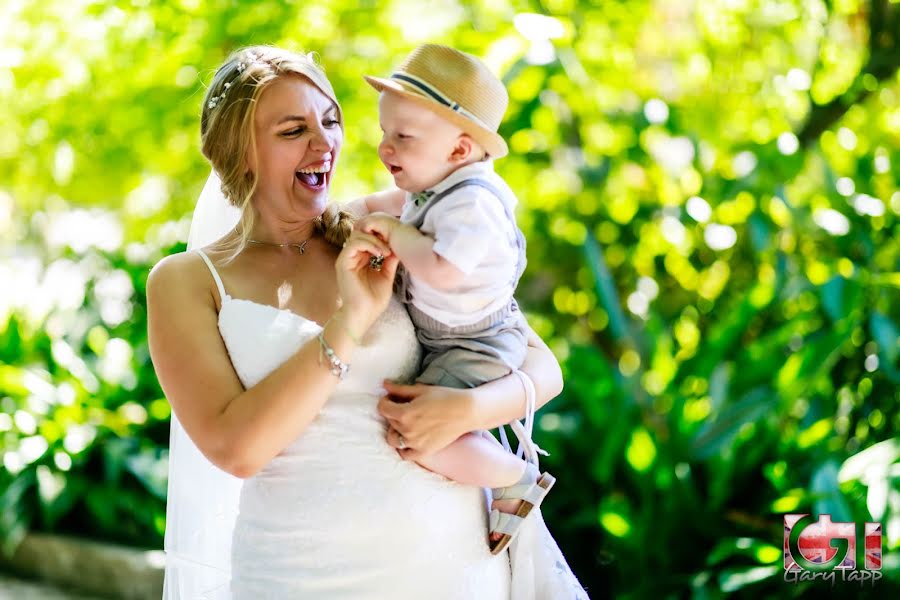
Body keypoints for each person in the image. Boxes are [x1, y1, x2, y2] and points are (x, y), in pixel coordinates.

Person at [147, 45, 565, 599]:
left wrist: (467, 409)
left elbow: (542, 366)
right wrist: (348, 322)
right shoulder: (186, 281)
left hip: (450, 565)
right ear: (239, 150)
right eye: (294, 130)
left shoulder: (386, 230)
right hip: (298, 575)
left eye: (332, 121)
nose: (326, 145)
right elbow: (237, 450)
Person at [356, 44, 553, 555]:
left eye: (402, 137)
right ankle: (497, 467)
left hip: (475, 344)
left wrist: (394, 236)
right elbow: (393, 203)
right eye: (384, 133)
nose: (385, 147)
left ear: (460, 150)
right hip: (453, 334)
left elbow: (442, 269)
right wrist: (351, 215)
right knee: (417, 425)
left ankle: (514, 475)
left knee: (415, 436)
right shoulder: (440, 183)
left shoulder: (473, 204)